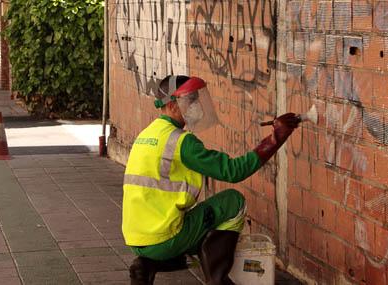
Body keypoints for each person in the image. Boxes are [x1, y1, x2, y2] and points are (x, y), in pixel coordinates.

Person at [122, 75, 301, 285]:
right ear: (171, 105)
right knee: (233, 201)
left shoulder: (147, 134)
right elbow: (233, 171)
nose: (196, 106)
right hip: (163, 238)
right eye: (189, 101)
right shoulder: (181, 142)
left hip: (137, 238)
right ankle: (217, 279)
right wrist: (276, 138)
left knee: (201, 219)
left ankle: (147, 265)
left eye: (196, 100)